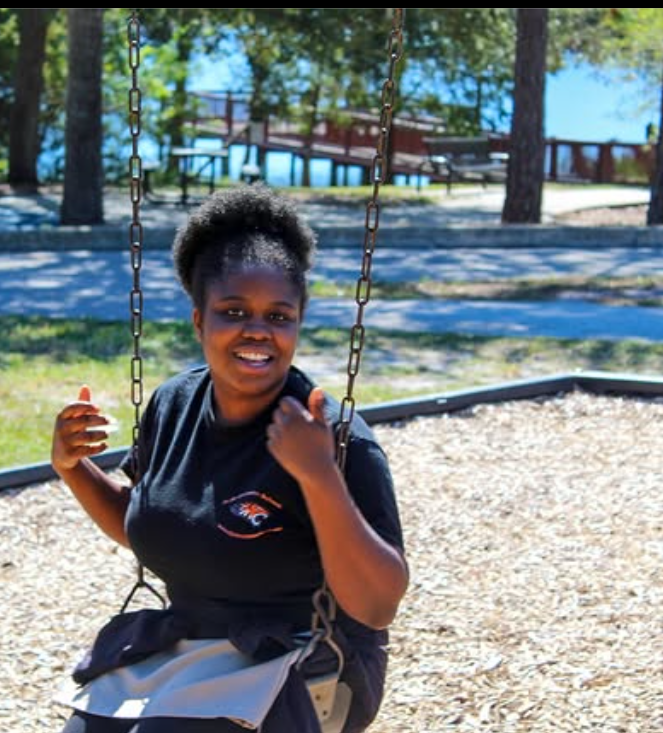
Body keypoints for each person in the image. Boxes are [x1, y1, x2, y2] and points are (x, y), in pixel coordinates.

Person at [51, 184, 408, 733]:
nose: (257, 330)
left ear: (298, 323)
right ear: (200, 321)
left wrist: (317, 477)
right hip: (190, 644)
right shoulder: (173, 404)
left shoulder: (332, 437)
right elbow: (151, 521)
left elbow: (378, 605)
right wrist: (73, 468)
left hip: (301, 659)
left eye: (279, 315)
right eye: (233, 311)